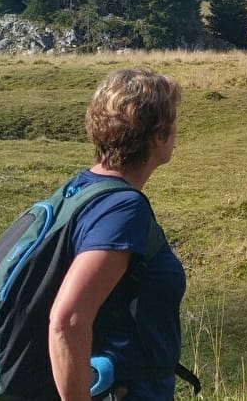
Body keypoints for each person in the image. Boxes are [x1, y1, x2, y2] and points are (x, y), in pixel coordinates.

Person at [48, 67, 190, 401]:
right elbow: (67, 320)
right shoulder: (122, 210)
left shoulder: (79, 189)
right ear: (159, 135)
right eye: (173, 120)